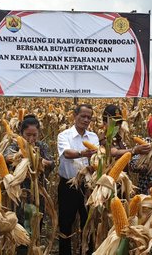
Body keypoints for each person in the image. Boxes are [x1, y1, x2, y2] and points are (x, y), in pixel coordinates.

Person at [3, 115, 54, 255]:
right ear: (21, 133)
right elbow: (6, 157)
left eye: (34, 135)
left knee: (36, 225)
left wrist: (39, 160)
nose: (31, 139)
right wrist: (20, 156)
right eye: (28, 135)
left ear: (39, 133)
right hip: (19, 194)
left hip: (39, 193)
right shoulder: (14, 146)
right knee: (20, 227)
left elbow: (51, 162)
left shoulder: (42, 146)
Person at [57, 104, 98, 255]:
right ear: (74, 116)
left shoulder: (93, 137)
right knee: (65, 224)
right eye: (83, 116)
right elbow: (67, 154)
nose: (86, 120)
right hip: (68, 186)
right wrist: (83, 153)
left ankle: (87, 251)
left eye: (89, 117)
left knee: (88, 223)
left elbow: (97, 159)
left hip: (88, 186)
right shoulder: (64, 135)